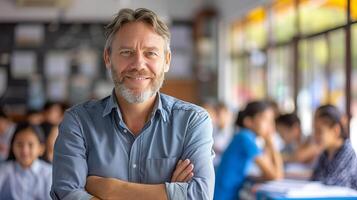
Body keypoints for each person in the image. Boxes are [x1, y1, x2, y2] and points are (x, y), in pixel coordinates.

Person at [51, 8, 215, 200]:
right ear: (107, 58)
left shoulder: (192, 121)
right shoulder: (78, 122)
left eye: (150, 53)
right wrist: (170, 193)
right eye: (126, 52)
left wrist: (109, 188)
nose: (138, 64)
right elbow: (67, 195)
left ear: (167, 61)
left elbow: (200, 195)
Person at [214, 100, 283, 200]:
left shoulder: (245, 137)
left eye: (272, 121)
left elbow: (269, 173)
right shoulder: (245, 138)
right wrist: (271, 143)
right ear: (249, 122)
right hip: (223, 196)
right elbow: (275, 175)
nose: (271, 126)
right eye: (266, 120)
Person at [0, 122, 52, 200]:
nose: (24, 150)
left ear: (41, 149)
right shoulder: (4, 170)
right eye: (19, 144)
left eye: (30, 144)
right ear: (12, 147)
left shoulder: (49, 173)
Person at [311, 105, 357, 190]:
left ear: (336, 130)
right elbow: (314, 180)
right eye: (314, 130)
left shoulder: (347, 153)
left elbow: (334, 186)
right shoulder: (324, 154)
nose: (315, 136)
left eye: (319, 131)